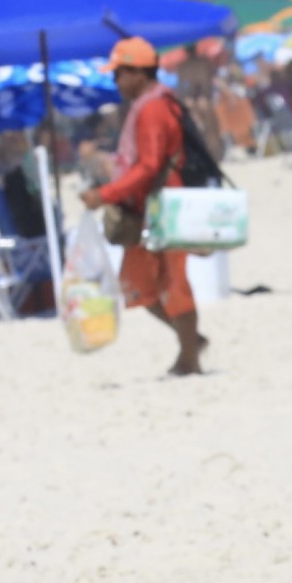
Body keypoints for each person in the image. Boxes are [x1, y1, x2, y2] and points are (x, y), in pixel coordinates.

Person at [79, 36, 206, 374]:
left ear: (138, 72)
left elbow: (149, 166)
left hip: (165, 207)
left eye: (119, 73)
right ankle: (192, 341)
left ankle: (190, 356)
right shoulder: (150, 104)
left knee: (174, 283)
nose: (116, 81)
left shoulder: (153, 107)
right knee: (138, 286)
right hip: (147, 208)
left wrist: (105, 195)